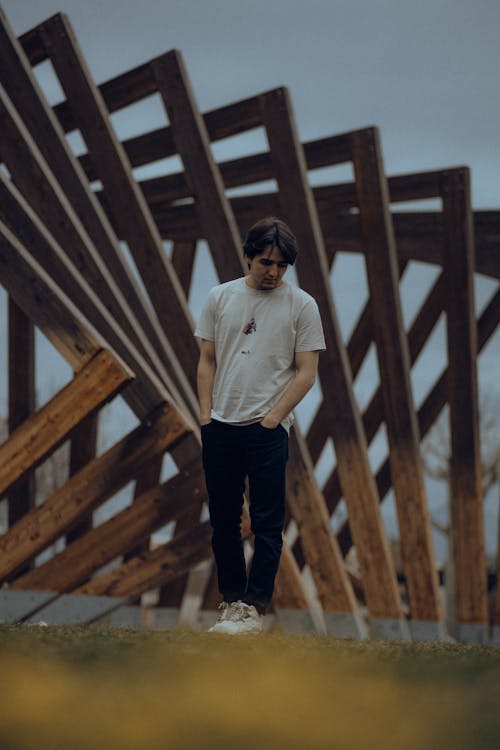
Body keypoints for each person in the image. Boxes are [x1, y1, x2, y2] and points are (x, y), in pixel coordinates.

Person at [195, 216, 326, 634]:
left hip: (267, 429)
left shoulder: (302, 305)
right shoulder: (220, 297)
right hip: (221, 425)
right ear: (248, 255)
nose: (273, 272)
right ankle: (231, 603)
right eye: (266, 262)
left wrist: (273, 419)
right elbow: (207, 360)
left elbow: (307, 371)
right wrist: (205, 416)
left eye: (282, 265)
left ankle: (253, 608)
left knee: (268, 524)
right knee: (224, 522)